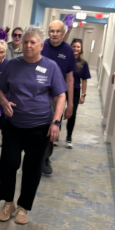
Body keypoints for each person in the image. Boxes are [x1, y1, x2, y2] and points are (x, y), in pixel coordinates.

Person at [0, 27, 66, 225]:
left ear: (41, 45)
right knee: (8, 164)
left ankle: (23, 207)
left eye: (32, 42)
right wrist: (4, 102)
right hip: (14, 125)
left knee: (32, 168)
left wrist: (56, 122)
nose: (27, 45)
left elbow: (60, 96)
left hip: (40, 127)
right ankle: (8, 203)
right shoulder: (12, 65)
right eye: (25, 42)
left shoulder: (51, 67)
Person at [40, 20, 75, 175]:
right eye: (52, 31)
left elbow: (70, 78)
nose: (54, 34)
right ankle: (35, 154)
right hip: (39, 93)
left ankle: (45, 157)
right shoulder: (41, 46)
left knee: (53, 126)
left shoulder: (68, 50)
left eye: (58, 31)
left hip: (57, 96)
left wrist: (70, 103)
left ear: (63, 32)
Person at [66, 38, 91, 148]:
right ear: (70, 47)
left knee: (72, 114)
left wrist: (83, 95)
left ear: (81, 49)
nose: (75, 48)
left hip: (75, 90)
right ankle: (55, 135)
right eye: (74, 46)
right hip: (62, 89)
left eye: (78, 47)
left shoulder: (83, 63)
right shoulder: (66, 59)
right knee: (59, 111)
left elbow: (84, 80)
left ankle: (69, 137)